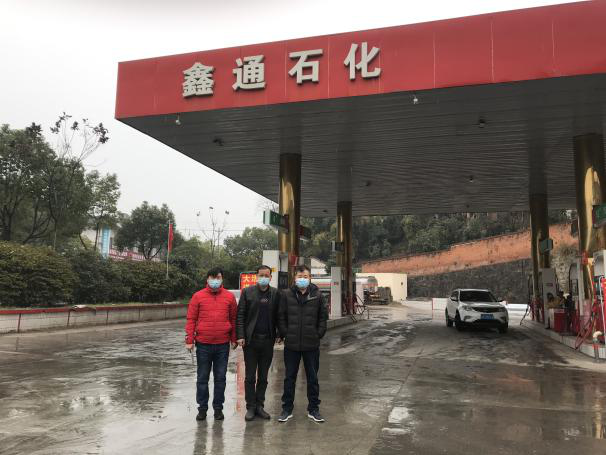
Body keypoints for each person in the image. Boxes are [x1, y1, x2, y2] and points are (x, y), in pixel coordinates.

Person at [277, 264, 329, 423]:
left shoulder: (317, 295)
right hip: (291, 345)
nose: (302, 279)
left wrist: (318, 334)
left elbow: (323, 317)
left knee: (312, 378)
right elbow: (281, 316)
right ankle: (287, 409)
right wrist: (285, 333)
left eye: (305, 277)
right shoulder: (286, 295)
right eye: (299, 277)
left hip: (311, 344)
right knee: (289, 378)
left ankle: (314, 409)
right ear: (295, 278)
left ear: (310, 278)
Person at [185, 267, 237, 421]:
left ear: (222, 279)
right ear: (207, 279)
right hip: (203, 344)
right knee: (202, 378)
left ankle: (218, 409)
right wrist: (189, 340)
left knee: (220, 378)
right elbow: (191, 319)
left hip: (222, 345)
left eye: (218, 277)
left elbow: (233, 319)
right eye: (212, 277)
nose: (215, 280)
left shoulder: (229, 297)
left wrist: (234, 338)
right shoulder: (197, 296)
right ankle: (202, 409)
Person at [236, 265, 282, 421]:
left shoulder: (275, 293)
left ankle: (260, 406)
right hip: (251, 341)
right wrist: (240, 335)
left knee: (263, 376)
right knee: (250, 376)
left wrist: (279, 334)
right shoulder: (247, 292)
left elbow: (279, 315)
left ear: (270, 277)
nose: (264, 278)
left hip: (268, 341)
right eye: (261, 275)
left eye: (266, 275)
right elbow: (240, 315)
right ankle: (250, 407)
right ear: (256, 276)